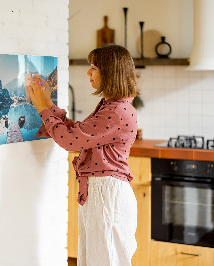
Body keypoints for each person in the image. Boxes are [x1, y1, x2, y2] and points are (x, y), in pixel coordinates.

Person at [27, 44, 139, 266]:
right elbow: (78, 133)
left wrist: (42, 108)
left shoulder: (116, 111)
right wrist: (48, 104)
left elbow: (70, 141)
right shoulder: (112, 106)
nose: (88, 72)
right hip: (102, 193)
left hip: (107, 195)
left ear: (110, 72)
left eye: (94, 67)